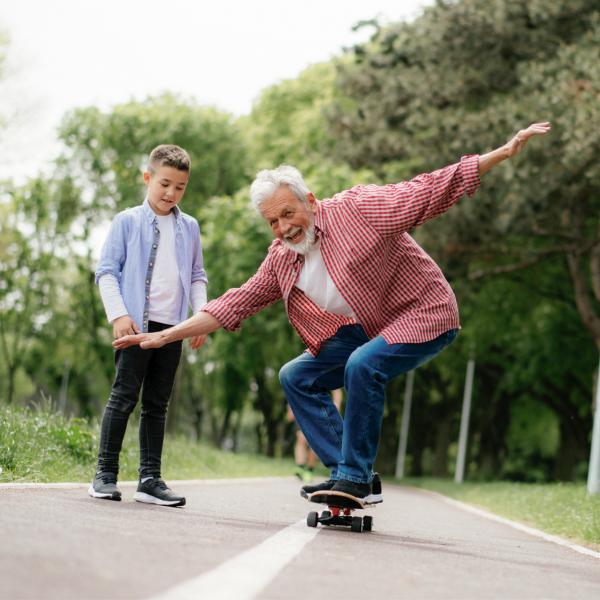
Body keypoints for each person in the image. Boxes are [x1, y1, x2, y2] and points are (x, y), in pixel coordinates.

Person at [113, 123, 550, 503]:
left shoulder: (357, 210)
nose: (284, 227)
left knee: (363, 365)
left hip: (425, 312)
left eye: (289, 213)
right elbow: (234, 302)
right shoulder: (282, 258)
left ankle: (353, 477)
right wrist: (162, 337)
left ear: (311, 200)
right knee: (295, 376)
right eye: (273, 222)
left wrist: (501, 154)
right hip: (369, 327)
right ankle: (354, 474)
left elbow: (427, 190)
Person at [89, 144, 208, 507]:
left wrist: (201, 315)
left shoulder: (189, 227)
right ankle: (105, 475)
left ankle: (149, 479)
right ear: (148, 178)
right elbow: (107, 271)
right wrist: (118, 314)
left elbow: (197, 275)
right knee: (124, 396)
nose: (171, 193)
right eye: (165, 184)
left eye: (180, 187)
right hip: (136, 326)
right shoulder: (127, 221)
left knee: (157, 404)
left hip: (172, 329)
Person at [289, 389, 343, 482]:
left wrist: (336, 405)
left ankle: (310, 470)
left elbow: (337, 390)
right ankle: (300, 466)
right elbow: (293, 389)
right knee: (301, 437)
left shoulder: (322, 374)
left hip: (319, 409)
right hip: (302, 409)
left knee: (314, 441)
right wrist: (290, 407)